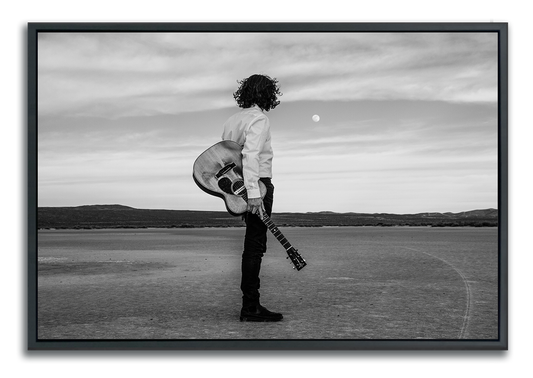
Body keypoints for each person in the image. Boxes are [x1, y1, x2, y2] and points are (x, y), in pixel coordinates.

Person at [221, 74, 283, 322]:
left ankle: (250, 303)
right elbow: (251, 156)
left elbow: (226, 158)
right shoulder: (259, 119)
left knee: (251, 245)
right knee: (255, 247)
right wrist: (255, 194)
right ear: (267, 94)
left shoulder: (232, 120)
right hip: (258, 185)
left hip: (239, 185)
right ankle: (250, 306)